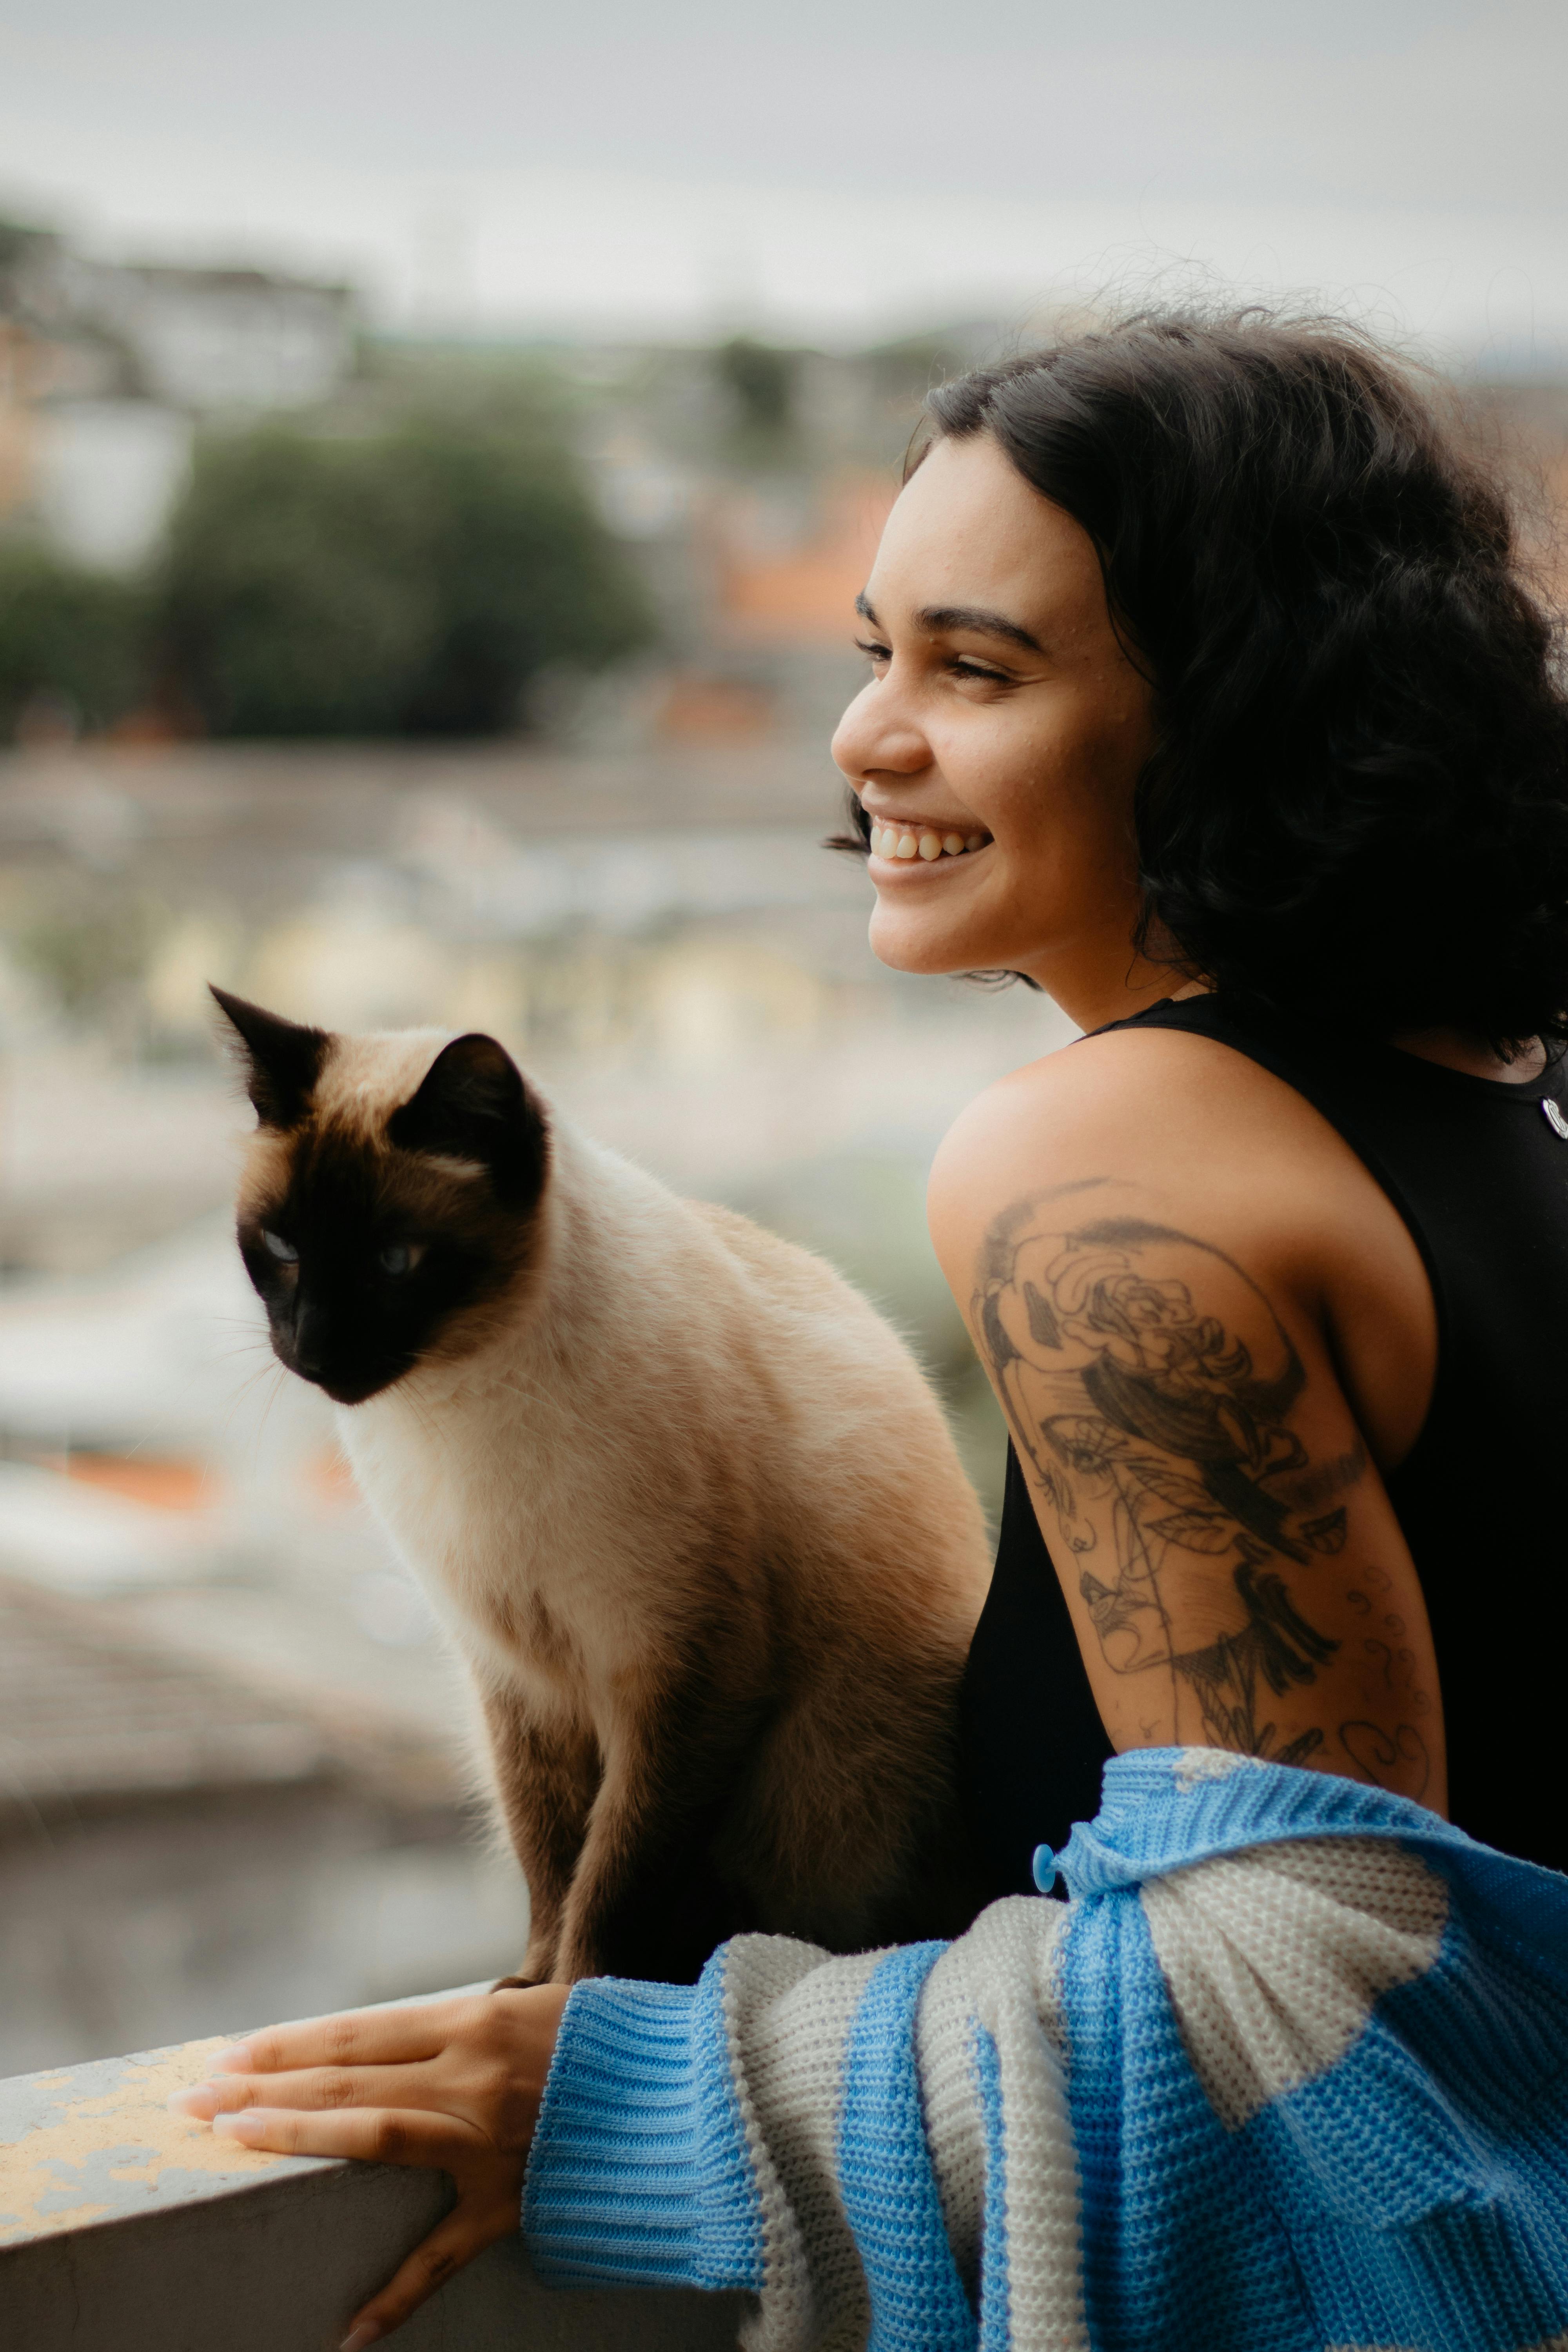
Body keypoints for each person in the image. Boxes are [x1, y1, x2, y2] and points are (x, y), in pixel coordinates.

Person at [170, 312, 1568, 2350]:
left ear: (1234, 719)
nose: (864, 736)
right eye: (871, 648)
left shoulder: (1112, 1157)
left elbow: (1305, 1978)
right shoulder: (1506, 1089)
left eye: (974, 668)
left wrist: (655, 2096)